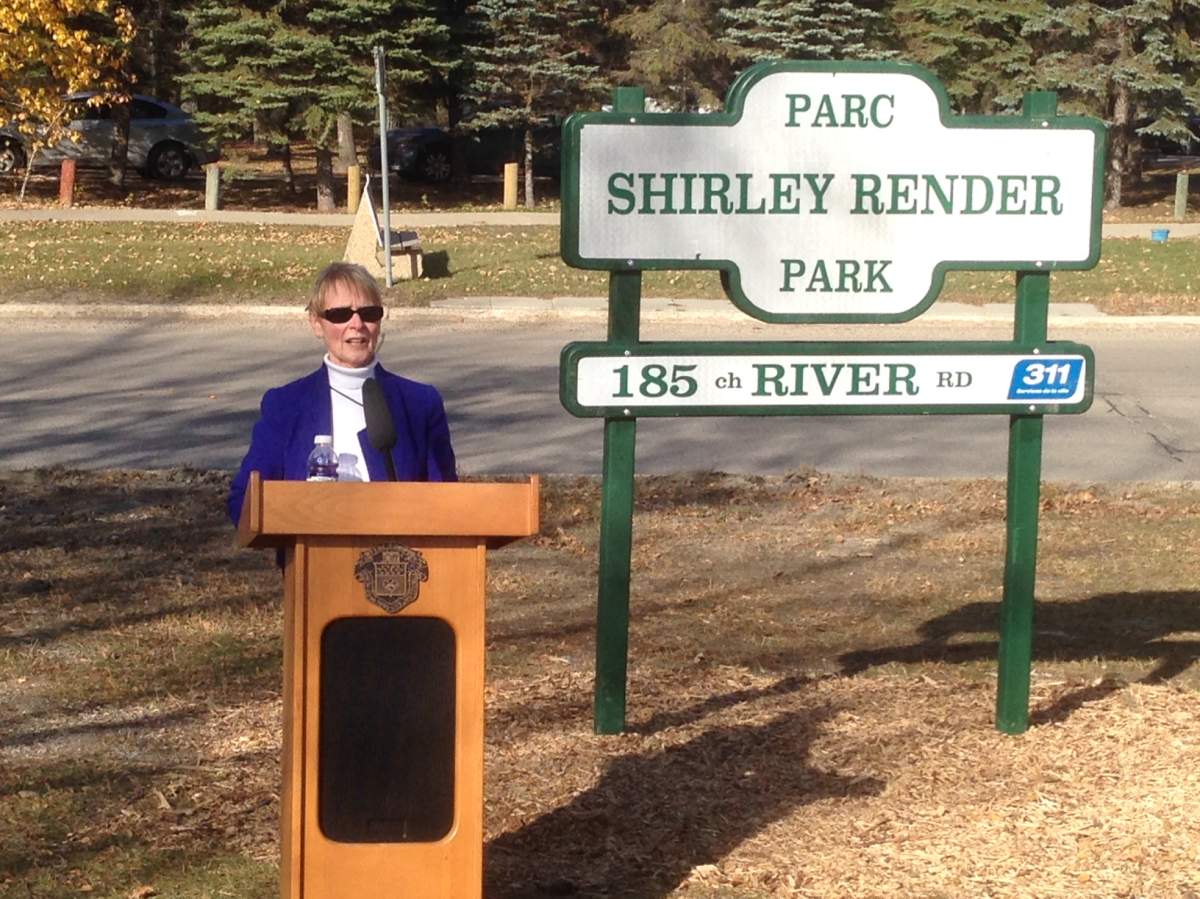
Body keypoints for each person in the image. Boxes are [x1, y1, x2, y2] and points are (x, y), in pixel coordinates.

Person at [227, 261, 456, 525]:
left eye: (369, 313)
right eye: (340, 315)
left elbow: (447, 503)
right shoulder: (285, 406)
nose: (356, 324)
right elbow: (245, 503)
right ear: (316, 323)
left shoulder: (420, 404)